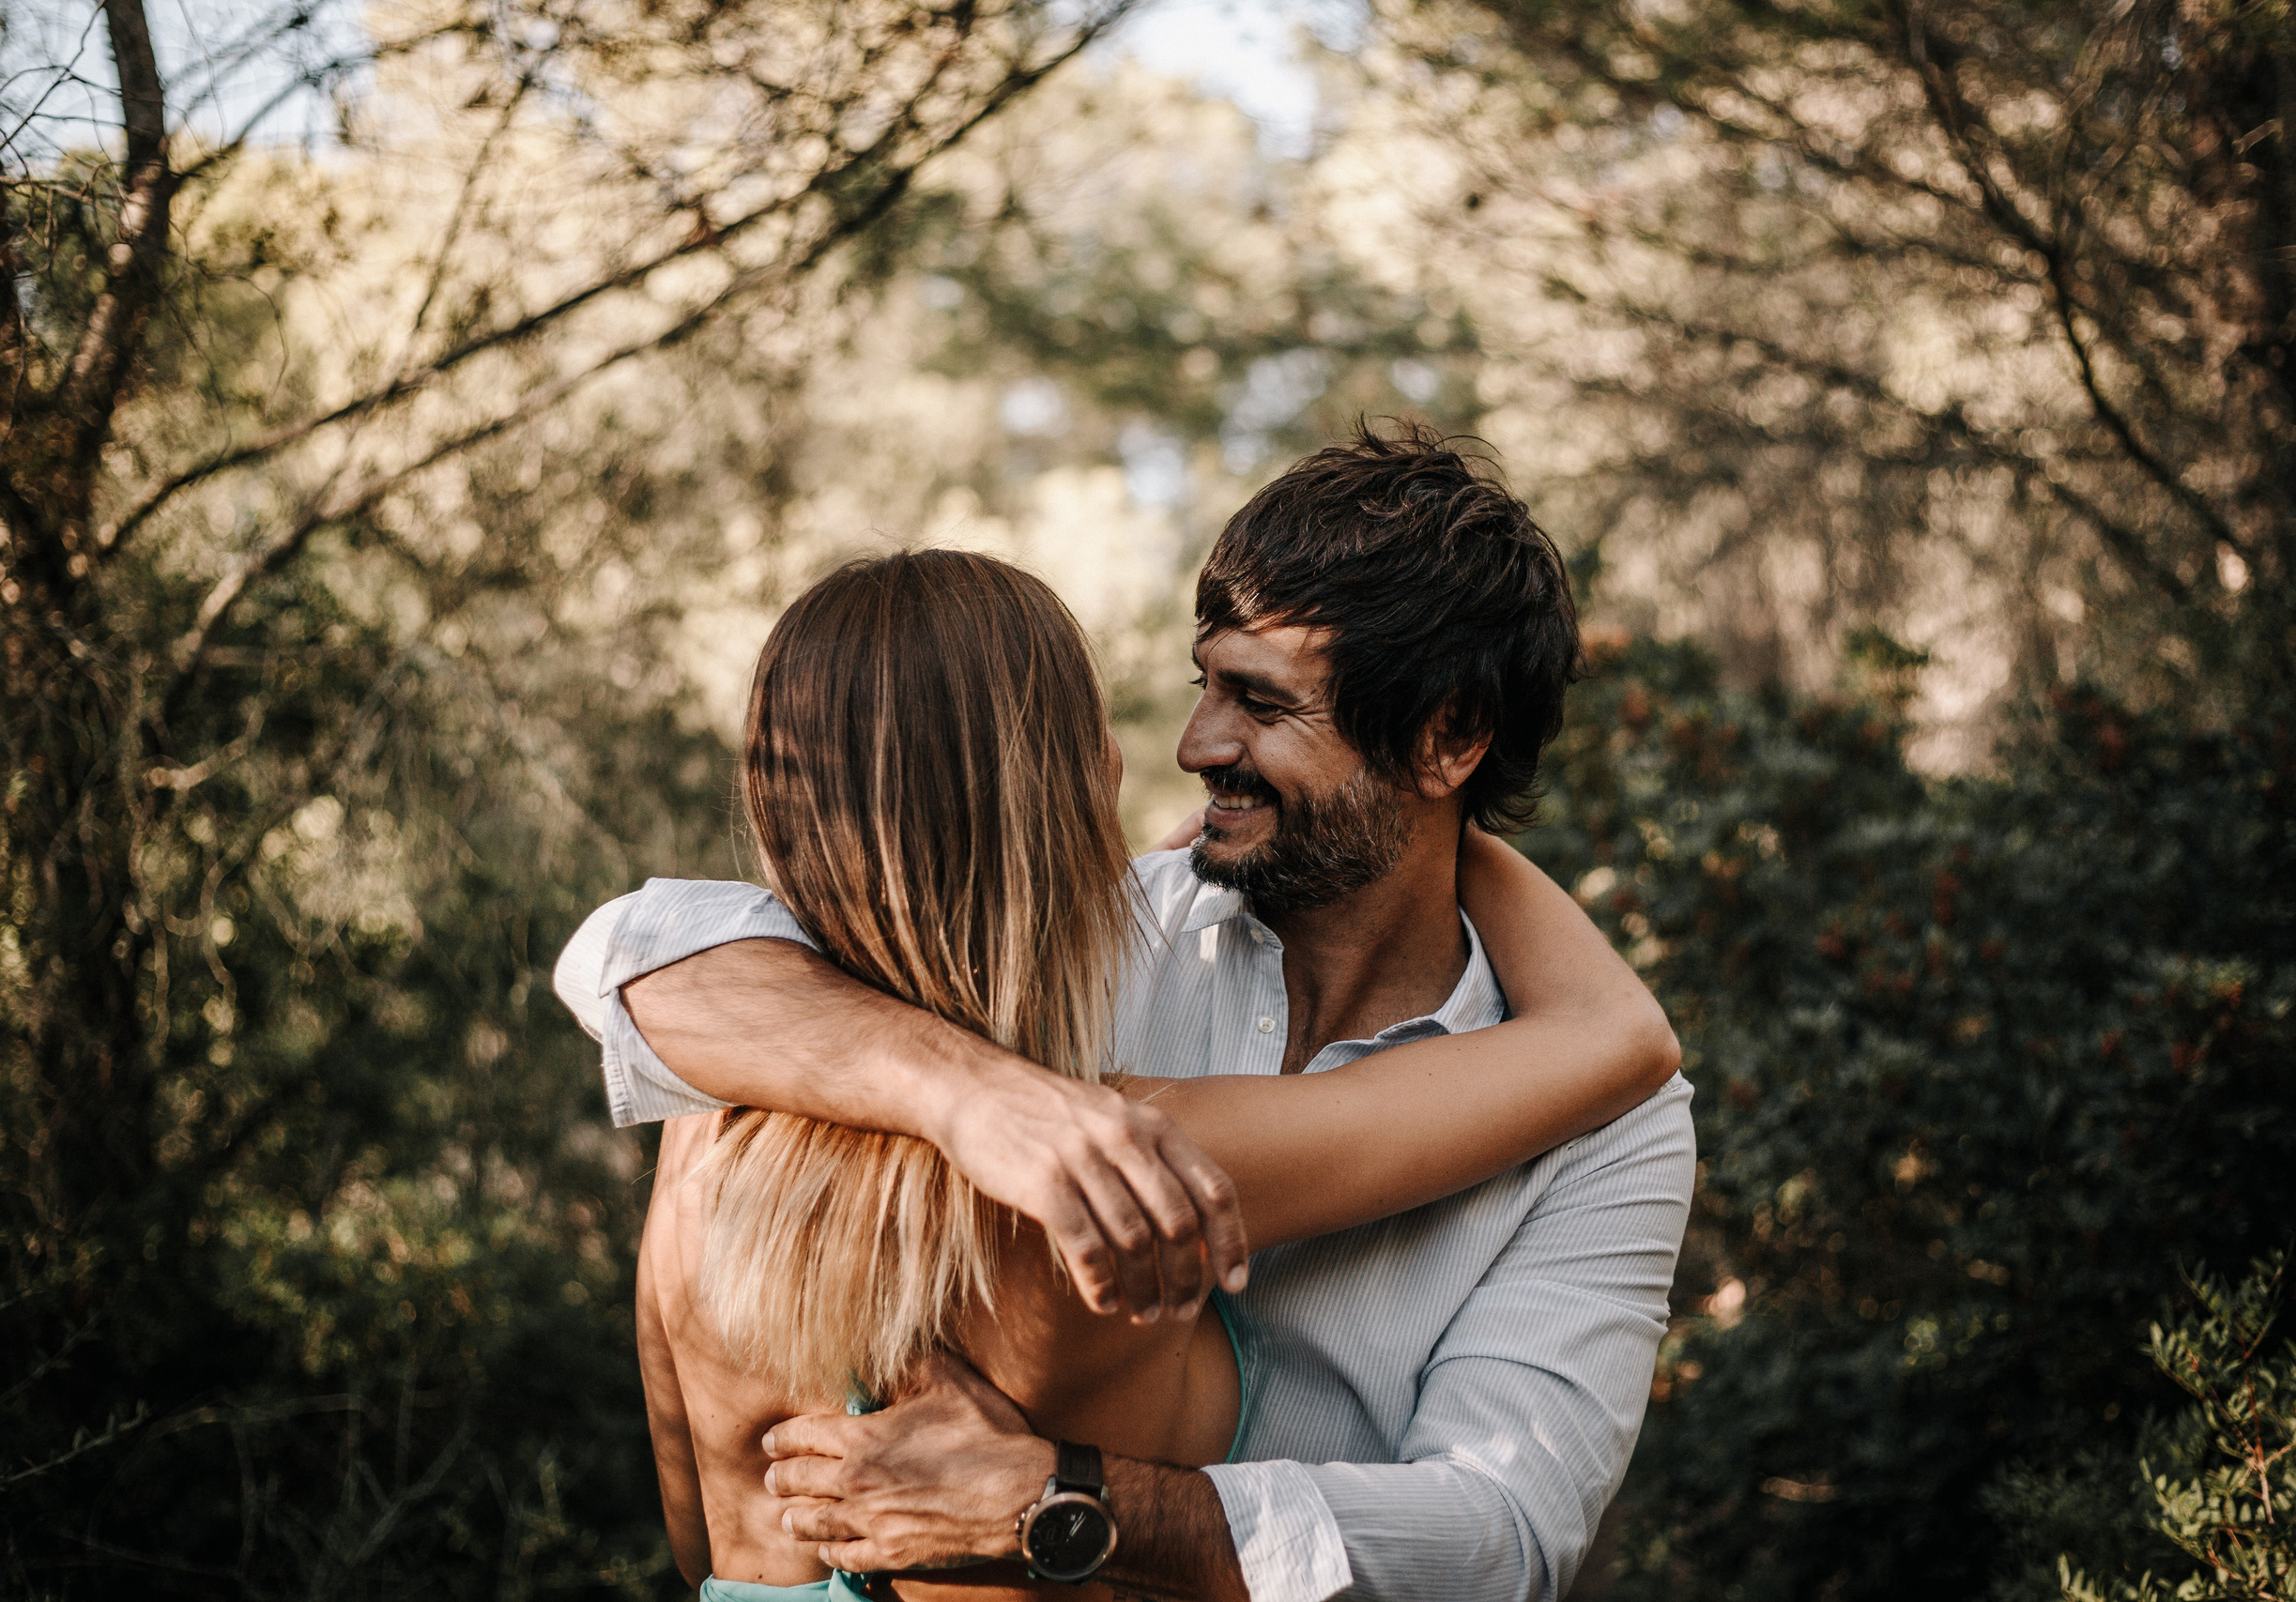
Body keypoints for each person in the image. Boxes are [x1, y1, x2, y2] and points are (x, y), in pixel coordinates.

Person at [556, 422, 1697, 1602]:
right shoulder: (1099, 985)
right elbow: (638, 954)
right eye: (1204, 686)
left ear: (1446, 735)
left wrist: (1065, 1503)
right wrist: (973, 1099)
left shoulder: (1608, 1128)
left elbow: (1499, 1538)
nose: (1193, 746)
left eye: (1260, 703)